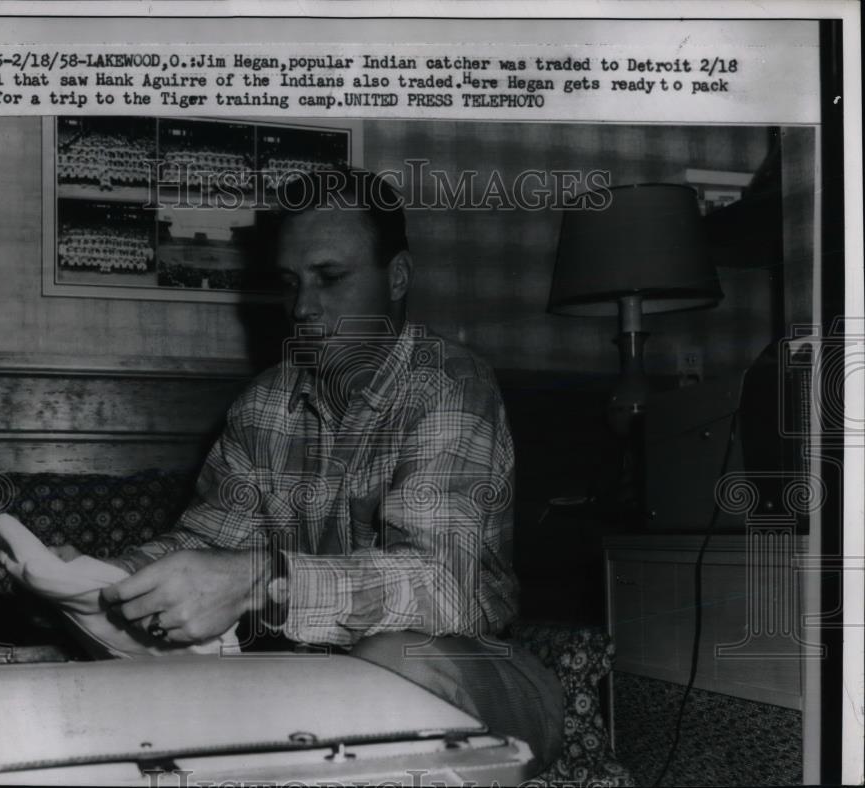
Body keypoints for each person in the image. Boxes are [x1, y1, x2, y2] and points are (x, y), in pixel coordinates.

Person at [93, 169, 564, 769]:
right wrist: (107, 578)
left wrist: (262, 581)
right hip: (316, 686)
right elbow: (206, 541)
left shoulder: (450, 384)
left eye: (330, 278)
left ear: (397, 278)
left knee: (390, 660)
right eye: (290, 282)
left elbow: (447, 588)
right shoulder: (262, 405)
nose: (302, 307)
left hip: (474, 674)